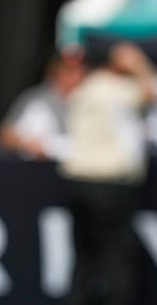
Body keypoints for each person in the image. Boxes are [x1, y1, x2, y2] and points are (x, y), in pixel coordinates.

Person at [59, 42, 155, 305]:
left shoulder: (87, 87)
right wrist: (139, 65)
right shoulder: (118, 90)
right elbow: (151, 92)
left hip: (78, 183)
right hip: (109, 187)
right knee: (116, 259)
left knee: (83, 258)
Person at [0, 53, 86, 160]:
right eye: (69, 71)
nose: (75, 76)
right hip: (40, 167)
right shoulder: (35, 98)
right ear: (54, 73)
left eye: (80, 71)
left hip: (81, 168)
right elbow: (5, 136)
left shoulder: (94, 99)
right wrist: (26, 143)